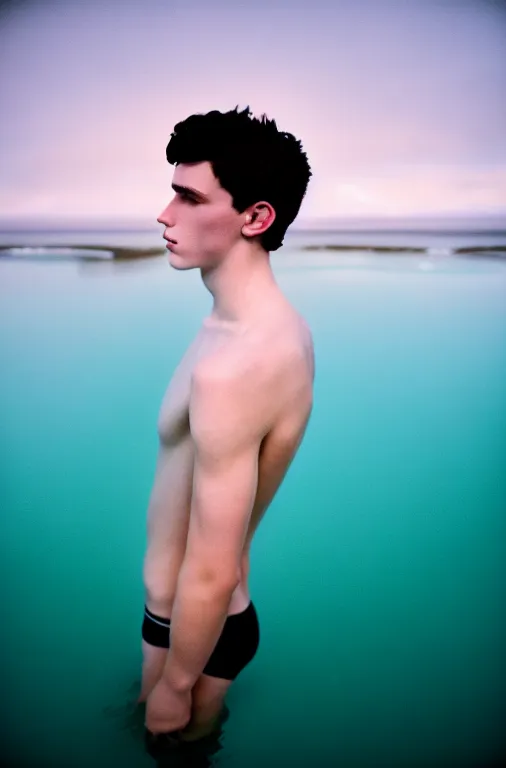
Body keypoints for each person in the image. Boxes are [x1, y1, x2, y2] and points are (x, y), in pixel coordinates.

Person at [139, 105, 315, 748]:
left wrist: (177, 684)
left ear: (255, 217)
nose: (164, 215)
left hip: (197, 628)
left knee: (172, 748)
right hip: (187, 618)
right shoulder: (260, 327)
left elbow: (211, 568)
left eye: (189, 197)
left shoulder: (240, 365)